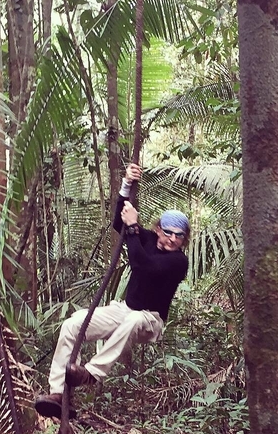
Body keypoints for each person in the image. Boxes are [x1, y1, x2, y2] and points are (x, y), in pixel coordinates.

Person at [35, 164, 190, 419]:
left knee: (134, 319)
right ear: (159, 229)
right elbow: (119, 223)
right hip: (125, 309)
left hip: (150, 320)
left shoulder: (178, 262)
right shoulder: (149, 238)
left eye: (180, 236)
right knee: (73, 324)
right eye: (169, 232)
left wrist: (132, 228)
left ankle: (92, 373)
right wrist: (126, 186)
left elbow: (143, 265)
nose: (173, 239)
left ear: (184, 239)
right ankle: (57, 393)